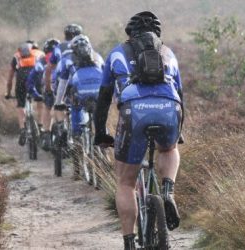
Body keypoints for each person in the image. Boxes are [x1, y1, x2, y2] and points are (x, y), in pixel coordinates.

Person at [94, 11, 183, 249]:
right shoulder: (169, 53)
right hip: (169, 108)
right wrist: (178, 131)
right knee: (169, 148)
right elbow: (180, 96)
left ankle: (129, 242)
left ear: (130, 35)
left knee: (125, 183)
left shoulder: (116, 53)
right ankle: (167, 190)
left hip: (135, 111)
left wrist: (100, 132)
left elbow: (103, 99)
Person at [54, 34, 104, 179]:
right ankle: (104, 154)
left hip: (79, 100)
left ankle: (77, 169)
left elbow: (63, 84)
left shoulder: (68, 61)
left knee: (77, 131)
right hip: (98, 96)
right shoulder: (98, 57)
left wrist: (58, 102)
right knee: (100, 125)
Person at [5, 41, 45, 146]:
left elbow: (10, 78)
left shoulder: (16, 56)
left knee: (20, 104)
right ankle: (40, 125)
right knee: (40, 100)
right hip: (35, 78)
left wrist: (8, 93)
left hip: (21, 79)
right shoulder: (40, 53)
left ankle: (22, 129)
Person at [27, 38, 60, 150]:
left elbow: (33, 76)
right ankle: (63, 128)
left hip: (46, 86)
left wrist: (34, 92)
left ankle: (46, 133)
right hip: (61, 86)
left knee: (46, 107)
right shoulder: (62, 56)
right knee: (63, 108)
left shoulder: (42, 60)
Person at [44, 24, 83, 94]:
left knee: (59, 102)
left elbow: (48, 69)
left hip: (62, 80)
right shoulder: (84, 45)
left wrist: (48, 88)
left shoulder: (59, 47)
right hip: (80, 78)